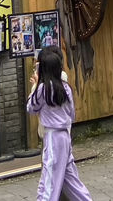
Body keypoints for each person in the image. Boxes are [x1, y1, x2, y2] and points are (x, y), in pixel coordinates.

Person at [27, 47, 92, 201]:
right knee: (71, 179)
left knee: (49, 180)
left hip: (52, 136)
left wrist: (36, 86)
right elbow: (72, 114)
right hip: (65, 135)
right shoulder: (66, 88)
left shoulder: (42, 89)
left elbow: (31, 107)